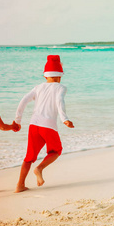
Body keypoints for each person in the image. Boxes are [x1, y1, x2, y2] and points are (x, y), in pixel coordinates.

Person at [13, 55, 74, 193]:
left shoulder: (38, 87)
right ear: (60, 76)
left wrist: (17, 120)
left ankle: (19, 185)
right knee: (56, 151)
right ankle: (39, 168)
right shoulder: (61, 87)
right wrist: (64, 118)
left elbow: (23, 100)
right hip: (48, 126)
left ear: (45, 76)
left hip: (33, 125)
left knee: (29, 157)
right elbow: (60, 101)